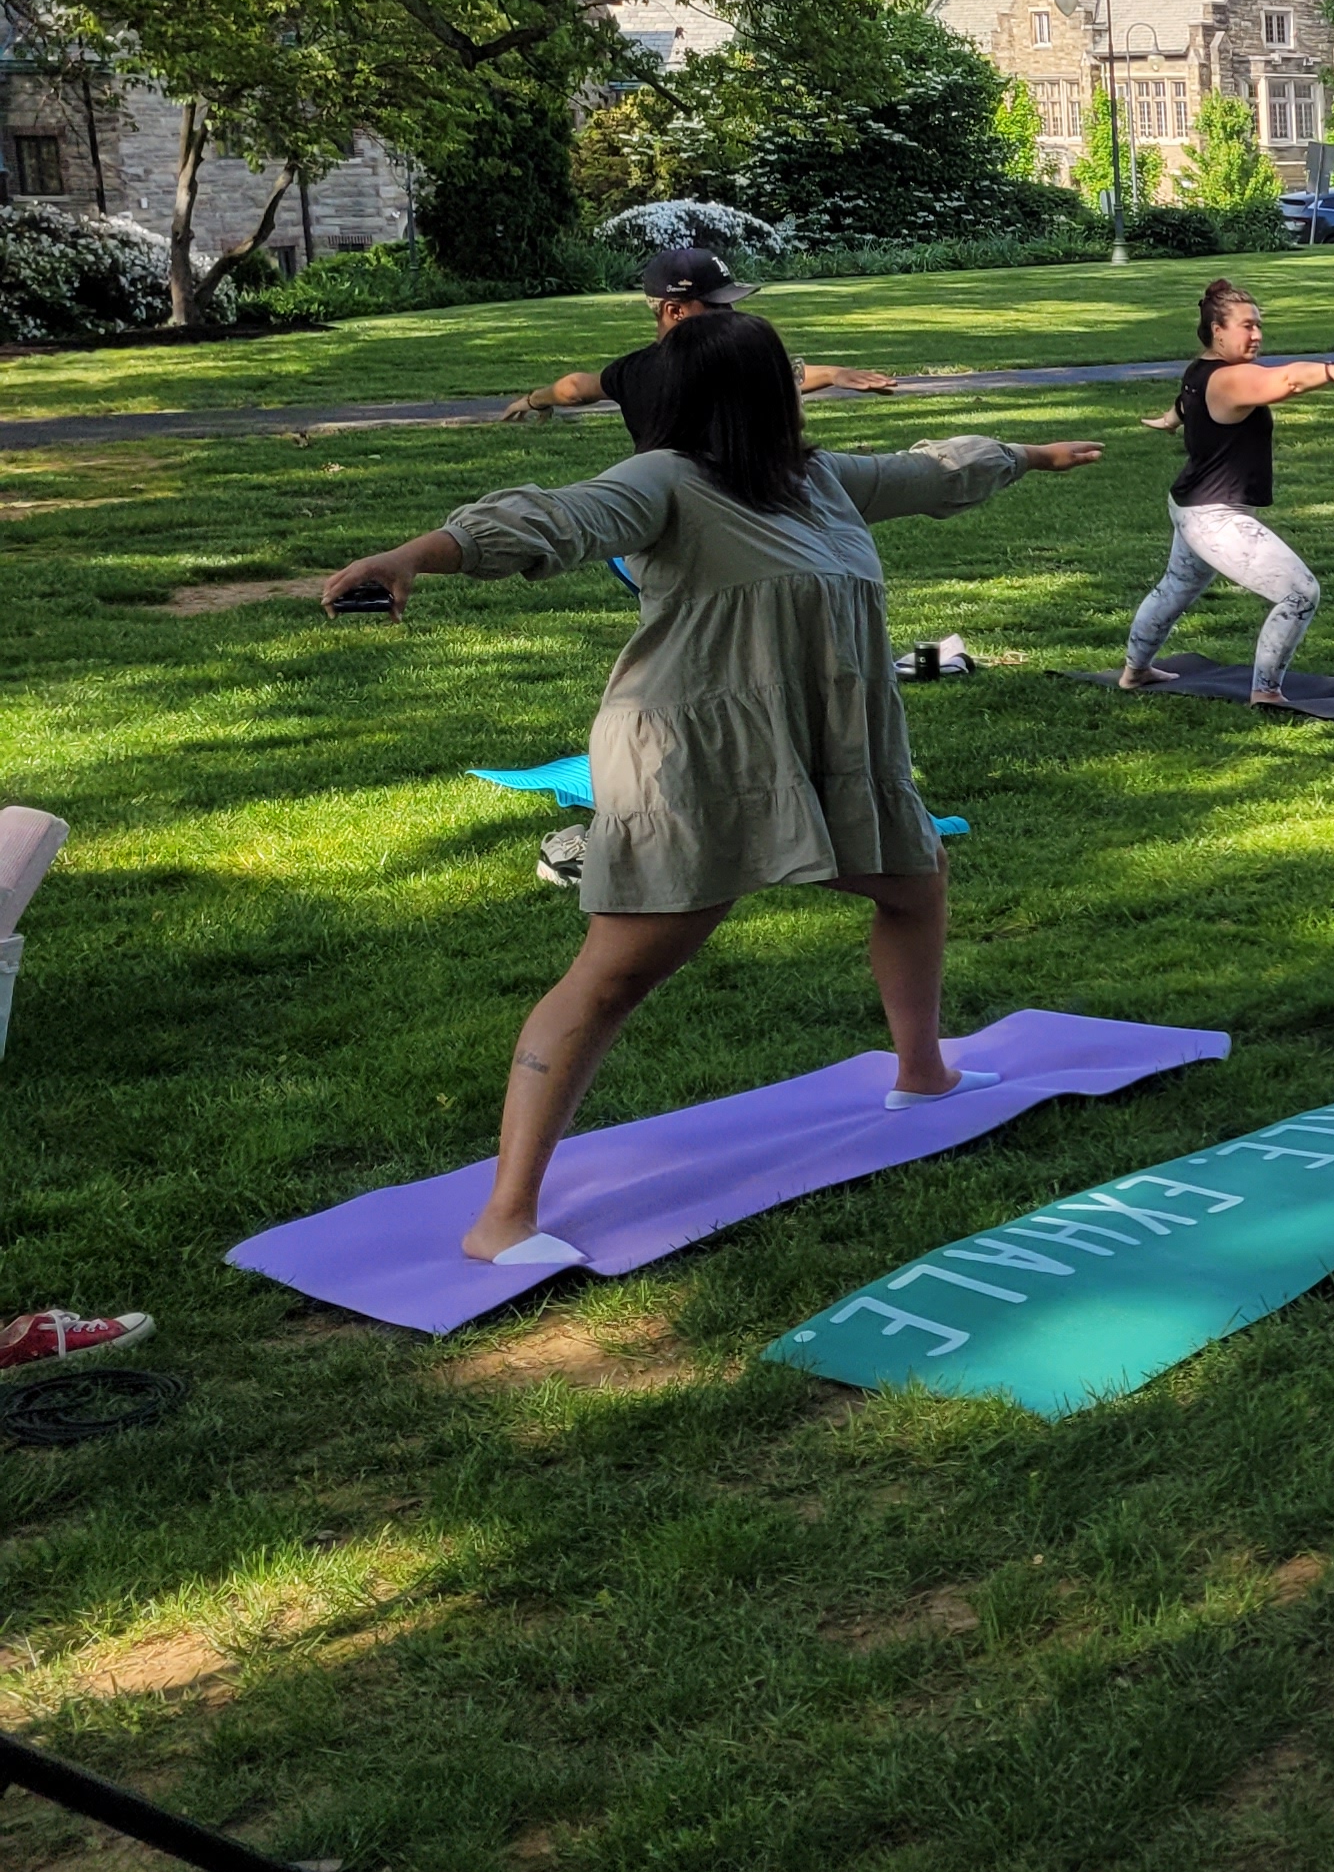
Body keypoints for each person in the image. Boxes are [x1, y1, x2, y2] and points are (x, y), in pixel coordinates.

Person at [322, 311, 1102, 1261]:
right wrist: (414, 555)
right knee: (616, 975)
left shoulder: (816, 483)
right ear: (765, 392)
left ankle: (924, 1071)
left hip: (824, 744)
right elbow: (555, 519)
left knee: (915, 882)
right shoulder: (665, 482)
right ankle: (502, 1220)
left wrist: (1038, 453)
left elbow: (934, 473)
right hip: (691, 752)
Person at [1119, 282, 1334, 710]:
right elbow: (1289, 380)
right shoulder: (1231, 378)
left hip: (1191, 504)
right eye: (1247, 326)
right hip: (1214, 517)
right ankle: (1266, 691)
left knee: (1176, 588)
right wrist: (1331, 371)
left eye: (1259, 326)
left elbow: (1186, 403)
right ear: (1217, 331)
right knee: (1300, 592)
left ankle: (1136, 670)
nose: (1256, 335)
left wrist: (1169, 421)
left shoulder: (1200, 370)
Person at [501, 246, 895, 441]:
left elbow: (576, 389)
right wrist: (830, 374)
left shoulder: (633, 371)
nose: (732, 313)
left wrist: (534, 400)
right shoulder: (720, 365)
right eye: (717, 305)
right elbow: (766, 377)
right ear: (675, 310)